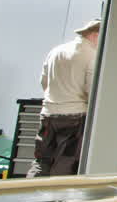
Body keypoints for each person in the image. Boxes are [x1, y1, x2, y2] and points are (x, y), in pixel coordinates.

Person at [30, 19, 100, 176]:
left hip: (48, 114)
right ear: (95, 36)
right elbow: (91, 90)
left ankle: (31, 194)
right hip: (74, 117)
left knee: (41, 160)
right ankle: (56, 199)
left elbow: (44, 81)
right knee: (65, 162)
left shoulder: (56, 51)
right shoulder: (92, 55)